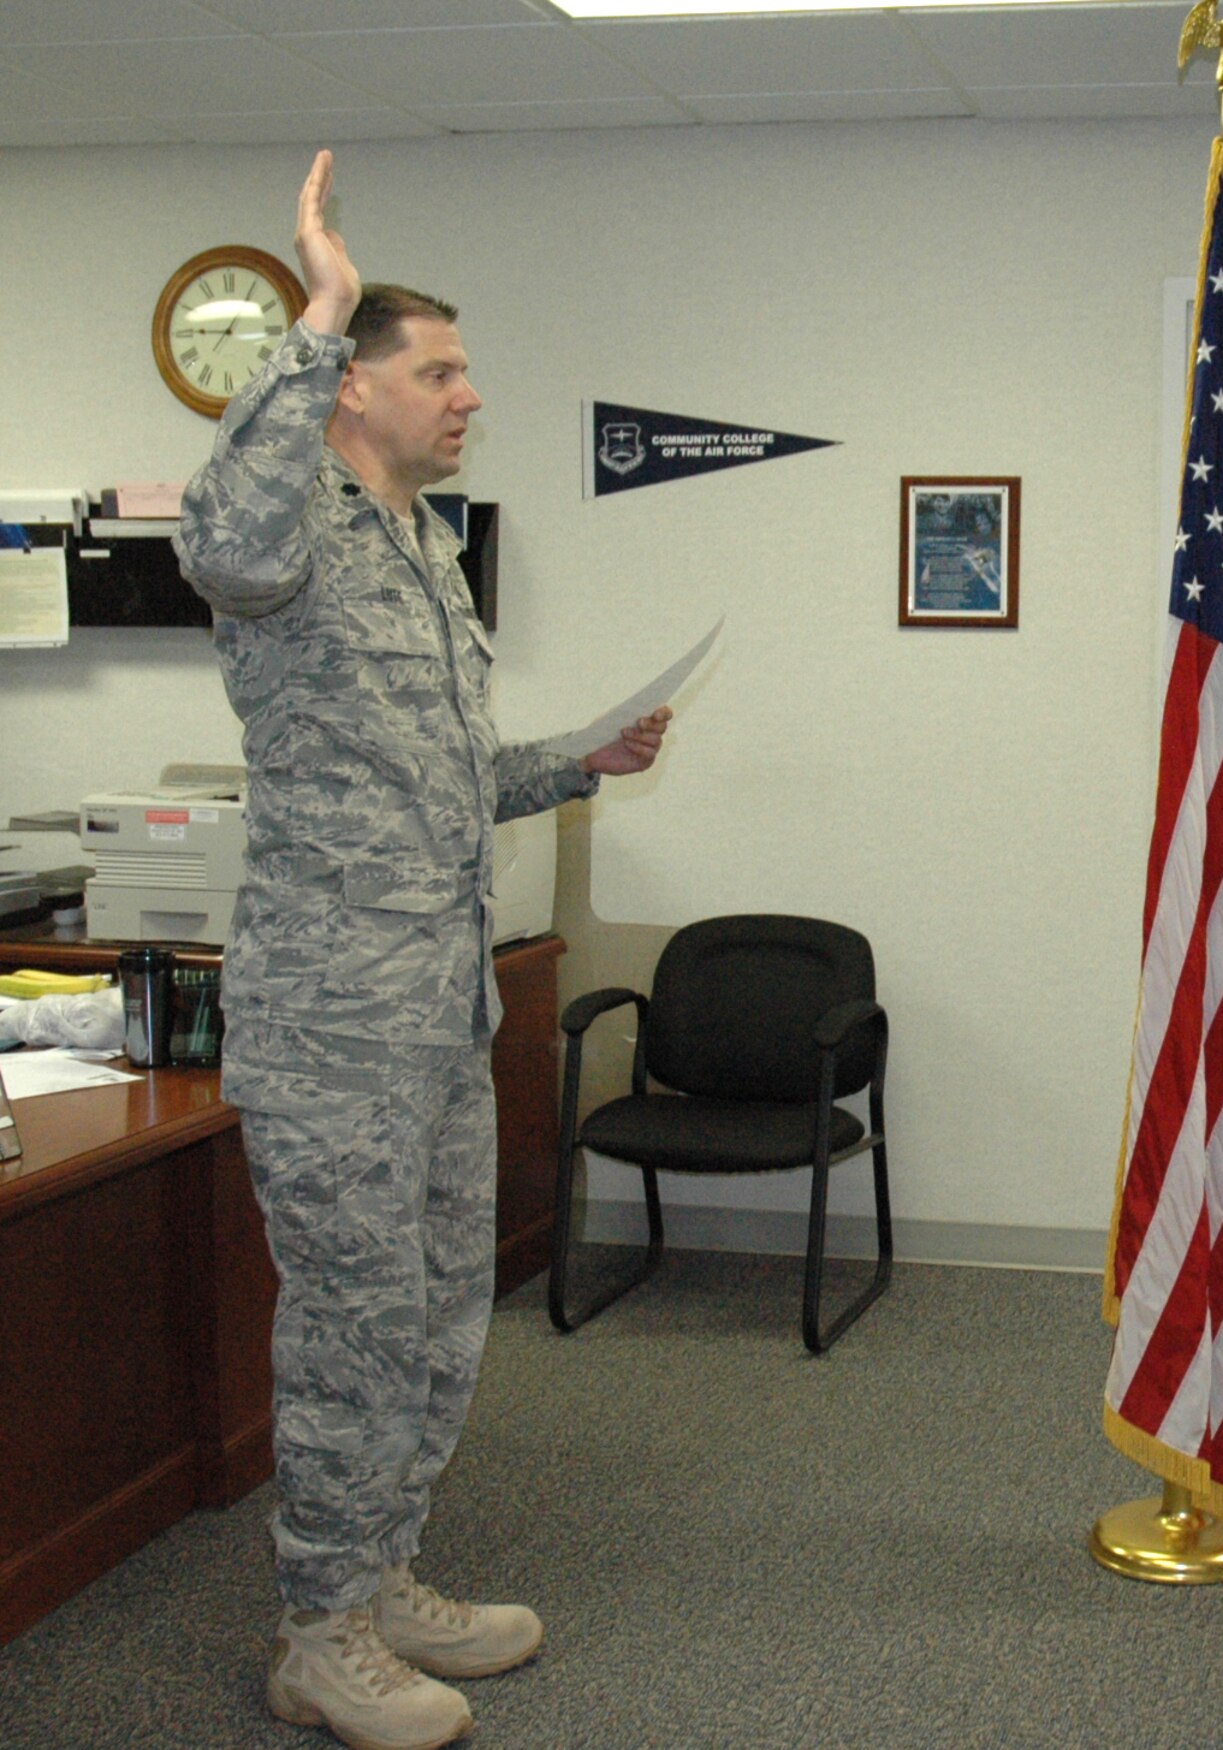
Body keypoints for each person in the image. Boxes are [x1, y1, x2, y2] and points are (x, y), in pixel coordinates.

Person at [175, 150, 672, 1750]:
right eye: (438, 369)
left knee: (440, 1303)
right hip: (334, 1019)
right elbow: (223, 547)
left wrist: (575, 761)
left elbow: (439, 776)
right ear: (352, 390)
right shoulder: (291, 526)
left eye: (463, 369)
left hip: (436, 1008)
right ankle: (318, 1632)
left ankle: (382, 1574)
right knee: (346, 1323)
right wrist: (312, 312)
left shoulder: (420, 542)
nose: (468, 393)